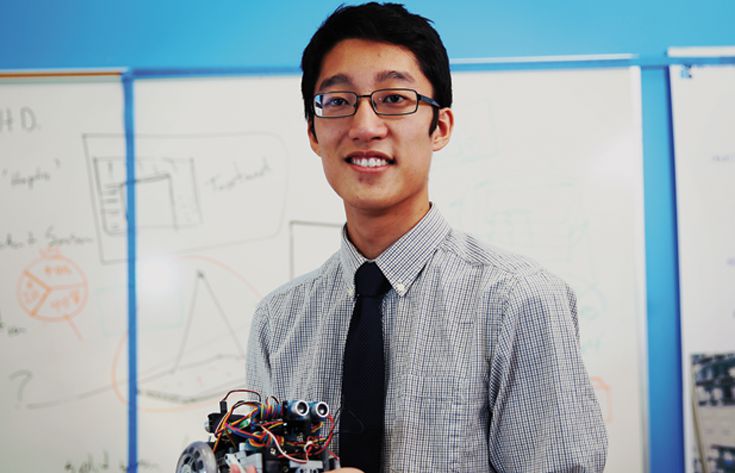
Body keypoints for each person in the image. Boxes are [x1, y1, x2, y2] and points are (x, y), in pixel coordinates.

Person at [246, 3, 608, 472]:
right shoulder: (278, 322)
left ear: (440, 127)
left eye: (394, 99)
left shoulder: (520, 301)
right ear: (313, 133)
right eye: (337, 101)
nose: (364, 126)